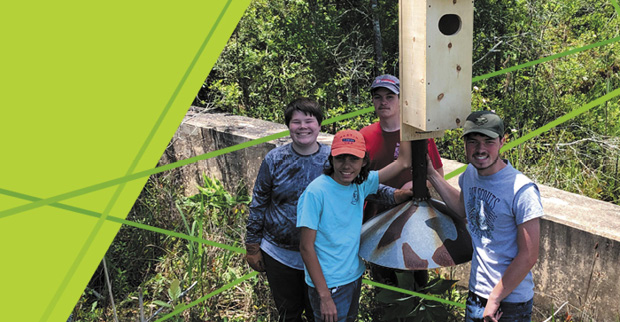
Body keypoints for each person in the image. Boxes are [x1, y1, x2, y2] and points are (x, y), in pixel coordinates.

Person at [245, 98, 411, 322]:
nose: (303, 126)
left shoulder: (335, 161)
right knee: (289, 313)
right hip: (283, 255)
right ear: (288, 125)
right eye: (296, 122)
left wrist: (398, 195)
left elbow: (370, 186)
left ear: (319, 124)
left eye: (309, 120)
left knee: (321, 314)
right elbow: (259, 202)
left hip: (329, 263)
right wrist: (253, 245)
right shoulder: (276, 160)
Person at [426, 110, 543, 322]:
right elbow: (463, 208)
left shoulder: (521, 190)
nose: (480, 149)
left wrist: (496, 298)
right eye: (473, 141)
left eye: (488, 141)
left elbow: (528, 255)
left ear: (502, 141)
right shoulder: (470, 174)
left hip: (510, 301)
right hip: (477, 292)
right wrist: (432, 175)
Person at [297, 129, 412, 322]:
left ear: (364, 161)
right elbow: (306, 247)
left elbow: (403, 162)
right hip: (328, 284)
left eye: (354, 159)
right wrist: (324, 296)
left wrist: (408, 116)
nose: (347, 166)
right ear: (331, 159)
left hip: (353, 277)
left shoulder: (359, 184)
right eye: (341, 158)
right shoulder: (315, 193)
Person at [359, 74, 444, 304]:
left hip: (413, 224)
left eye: (389, 97)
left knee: (416, 290)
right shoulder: (364, 136)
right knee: (385, 289)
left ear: (401, 101)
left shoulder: (418, 134)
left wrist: (416, 184)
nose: (383, 102)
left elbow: (436, 174)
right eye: (378, 97)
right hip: (377, 223)